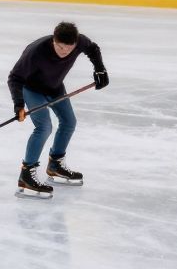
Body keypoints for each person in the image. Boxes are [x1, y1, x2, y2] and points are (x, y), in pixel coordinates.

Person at [8, 21, 107, 198]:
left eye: (69, 49)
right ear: (54, 40)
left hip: (55, 88)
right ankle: (26, 175)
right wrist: (18, 104)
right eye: (60, 48)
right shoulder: (35, 51)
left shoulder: (79, 42)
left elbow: (93, 49)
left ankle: (55, 165)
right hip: (32, 90)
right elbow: (15, 78)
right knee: (44, 127)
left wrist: (100, 70)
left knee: (69, 122)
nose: (64, 52)